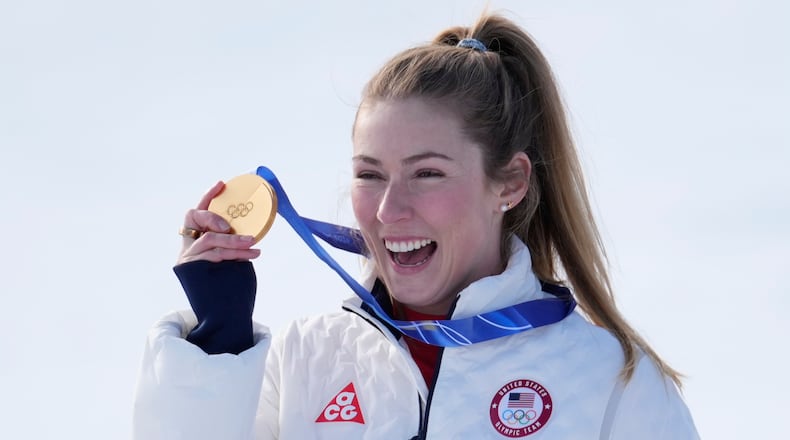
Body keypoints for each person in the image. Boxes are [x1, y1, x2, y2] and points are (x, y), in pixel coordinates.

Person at [133, 13, 699, 439]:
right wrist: (216, 346)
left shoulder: (610, 381)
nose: (388, 210)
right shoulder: (308, 359)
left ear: (511, 183)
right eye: (369, 174)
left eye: (427, 173)